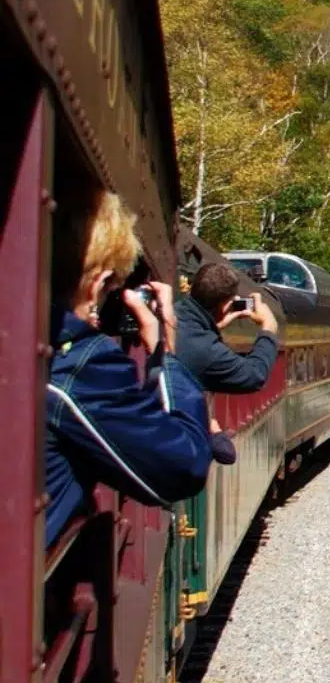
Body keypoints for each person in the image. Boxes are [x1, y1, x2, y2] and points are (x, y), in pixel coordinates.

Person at [46, 190, 213, 548]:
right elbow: (184, 466)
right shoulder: (79, 363)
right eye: (112, 289)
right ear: (97, 284)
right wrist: (162, 352)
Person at [175, 262, 279, 393]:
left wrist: (213, 327)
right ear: (226, 306)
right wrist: (269, 327)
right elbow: (254, 376)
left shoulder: (171, 312)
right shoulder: (207, 351)